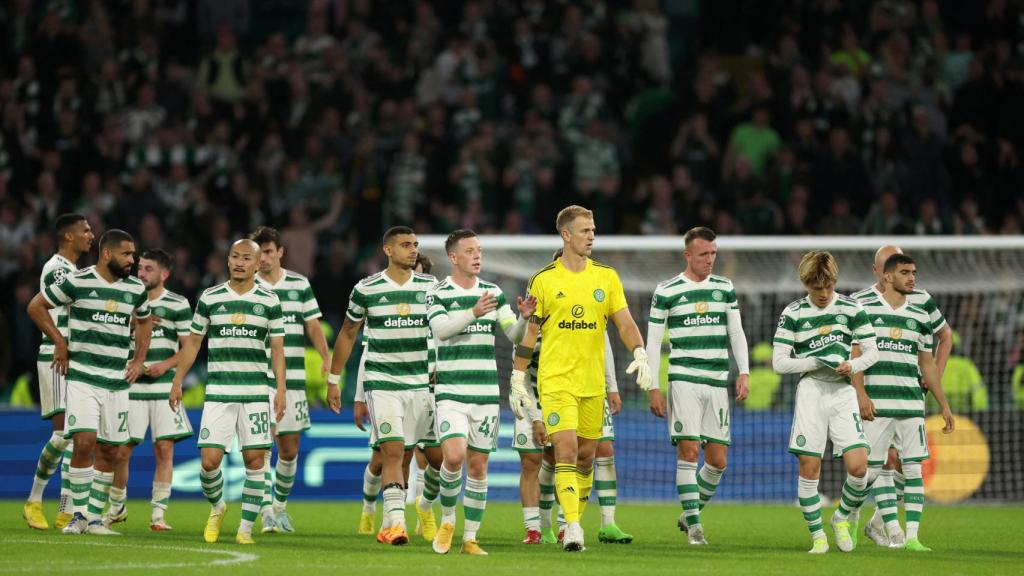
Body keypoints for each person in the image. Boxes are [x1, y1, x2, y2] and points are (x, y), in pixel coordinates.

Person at [508, 205, 652, 552]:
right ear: (566, 235)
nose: (592, 236)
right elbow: (531, 332)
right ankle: (572, 526)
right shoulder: (543, 280)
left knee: (588, 456)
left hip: (592, 385)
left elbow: (625, 323)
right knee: (567, 451)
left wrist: (640, 353)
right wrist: (517, 377)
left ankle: (572, 517)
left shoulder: (606, 277)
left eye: (593, 229)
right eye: (585, 230)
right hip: (556, 381)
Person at [27, 229, 153, 535]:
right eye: (126, 254)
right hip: (82, 377)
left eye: (133, 255)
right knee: (83, 443)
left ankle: (96, 518)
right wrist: (58, 341)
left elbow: (145, 320)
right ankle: (79, 515)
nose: (132, 261)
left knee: (110, 452)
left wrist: (138, 360)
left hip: (116, 381)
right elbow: (36, 306)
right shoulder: (77, 281)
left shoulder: (135, 289)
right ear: (107, 254)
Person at [326, 226, 441, 546]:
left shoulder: (432, 286)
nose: (413, 250)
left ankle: (425, 506)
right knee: (393, 452)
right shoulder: (367, 288)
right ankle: (395, 523)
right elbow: (348, 333)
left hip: (420, 383)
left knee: (439, 458)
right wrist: (335, 380)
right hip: (382, 381)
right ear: (387, 250)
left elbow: (443, 329)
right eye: (406, 245)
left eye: (415, 245)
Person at [423, 229, 535, 555]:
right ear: (453, 257)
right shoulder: (438, 292)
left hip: (486, 393)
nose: (477, 255)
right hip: (451, 391)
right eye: (470, 250)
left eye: (479, 250)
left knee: (478, 466)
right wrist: (473, 312)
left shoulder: (493, 291)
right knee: (454, 457)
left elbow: (513, 335)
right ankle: (447, 520)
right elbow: (441, 330)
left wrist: (525, 320)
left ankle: (470, 538)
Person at [169, 239, 287, 545]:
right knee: (209, 462)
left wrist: (281, 389)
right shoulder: (210, 297)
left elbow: (277, 349)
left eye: (246, 258)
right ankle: (218, 506)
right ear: (228, 259)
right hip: (220, 391)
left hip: (256, 392)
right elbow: (193, 343)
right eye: (234, 256)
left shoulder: (270, 300)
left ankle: (245, 529)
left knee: (255, 461)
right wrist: (177, 379)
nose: (239, 262)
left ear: (258, 263)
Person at [513, 248, 626, 545]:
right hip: (542, 394)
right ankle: (548, 527)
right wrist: (532, 412)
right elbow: (519, 351)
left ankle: (572, 524)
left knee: (586, 457)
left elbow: (607, 349)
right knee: (546, 459)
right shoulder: (540, 301)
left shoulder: (597, 297)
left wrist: (612, 386)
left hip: (589, 388)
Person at [645, 226, 750, 545]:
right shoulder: (667, 290)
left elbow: (736, 332)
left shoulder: (725, 287)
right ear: (688, 255)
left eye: (714, 253)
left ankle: (688, 511)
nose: (710, 259)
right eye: (704, 254)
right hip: (684, 380)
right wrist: (653, 386)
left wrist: (743, 371)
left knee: (717, 461)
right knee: (689, 451)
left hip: (717, 382)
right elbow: (651, 343)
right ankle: (695, 527)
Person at [772, 250, 878, 554]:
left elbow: (872, 352)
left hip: (843, 392)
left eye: (828, 287)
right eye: (816, 288)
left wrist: (852, 366)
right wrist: (816, 361)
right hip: (812, 392)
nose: (823, 293)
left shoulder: (851, 307)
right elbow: (780, 362)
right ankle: (818, 536)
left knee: (860, 468)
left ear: (834, 281)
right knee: (809, 467)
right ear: (806, 284)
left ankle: (841, 517)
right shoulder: (793, 312)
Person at [848, 253, 955, 552]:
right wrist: (858, 394)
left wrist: (940, 397)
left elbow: (940, 342)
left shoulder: (921, 308)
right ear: (882, 273)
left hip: (910, 401)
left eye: (913, 272)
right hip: (876, 401)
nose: (912, 277)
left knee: (910, 466)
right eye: (904, 271)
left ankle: (901, 533)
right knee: (871, 469)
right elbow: (853, 354)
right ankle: (852, 514)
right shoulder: (861, 304)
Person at [251, 226, 331, 534]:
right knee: (262, 446)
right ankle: (266, 511)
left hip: (294, 379)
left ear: (280, 252)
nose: (263, 259)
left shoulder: (299, 284)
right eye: (258, 253)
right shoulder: (248, 287)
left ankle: (280, 507)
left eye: (269, 252)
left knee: (289, 448)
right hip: (259, 378)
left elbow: (312, 326)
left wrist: (325, 356)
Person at [106, 249, 193, 531]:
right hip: (130, 387)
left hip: (163, 387)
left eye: (148, 269)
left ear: (164, 274)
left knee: (163, 449)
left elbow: (189, 348)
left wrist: (165, 365)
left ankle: (158, 514)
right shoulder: (124, 297)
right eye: (140, 268)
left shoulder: (178, 304)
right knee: (121, 451)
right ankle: (117, 507)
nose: (141, 273)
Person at [23, 213, 94, 531]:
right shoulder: (56, 269)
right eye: (86, 230)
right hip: (56, 357)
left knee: (75, 435)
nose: (91, 235)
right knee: (63, 433)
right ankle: (34, 501)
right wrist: (60, 343)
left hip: (74, 358)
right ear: (69, 237)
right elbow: (40, 308)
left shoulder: (74, 270)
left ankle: (65, 510)